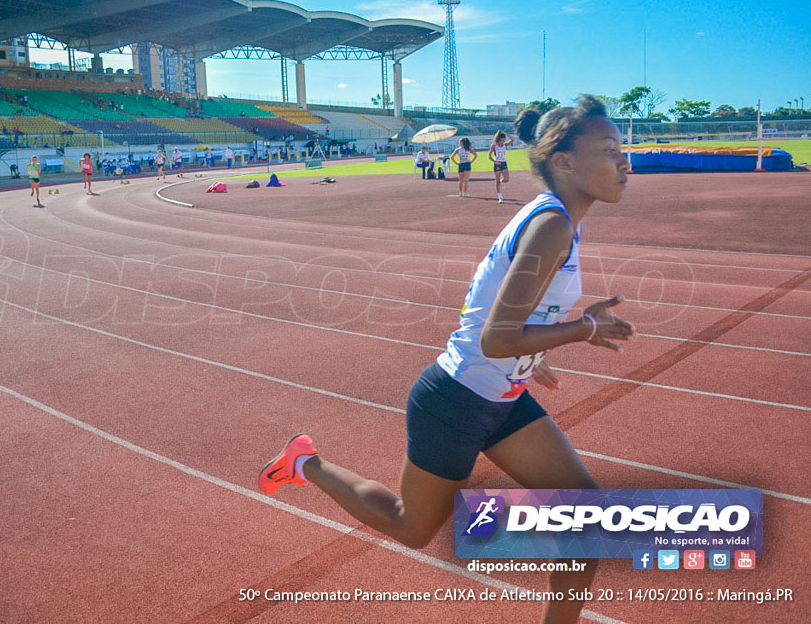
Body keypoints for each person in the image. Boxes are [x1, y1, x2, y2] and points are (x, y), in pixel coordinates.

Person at [259, 95, 634, 624]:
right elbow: (497, 339)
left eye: (623, 148)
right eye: (610, 149)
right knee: (411, 527)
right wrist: (583, 329)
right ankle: (305, 462)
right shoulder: (551, 225)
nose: (625, 161)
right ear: (565, 162)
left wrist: (537, 354)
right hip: (456, 401)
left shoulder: (561, 223)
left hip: (501, 399)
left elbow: (502, 320)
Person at [489, 130, 514, 203]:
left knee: (506, 179)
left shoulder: (505, 145)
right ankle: (500, 196)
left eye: (504, 140)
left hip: (504, 163)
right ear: (499, 139)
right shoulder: (494, 146)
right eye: (502, 140)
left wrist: (505, 133)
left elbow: (512, 139)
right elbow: (489, 156)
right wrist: (495, 161)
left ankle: (500, 181)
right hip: (497, 164)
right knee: (497, 181)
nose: (503, 141)